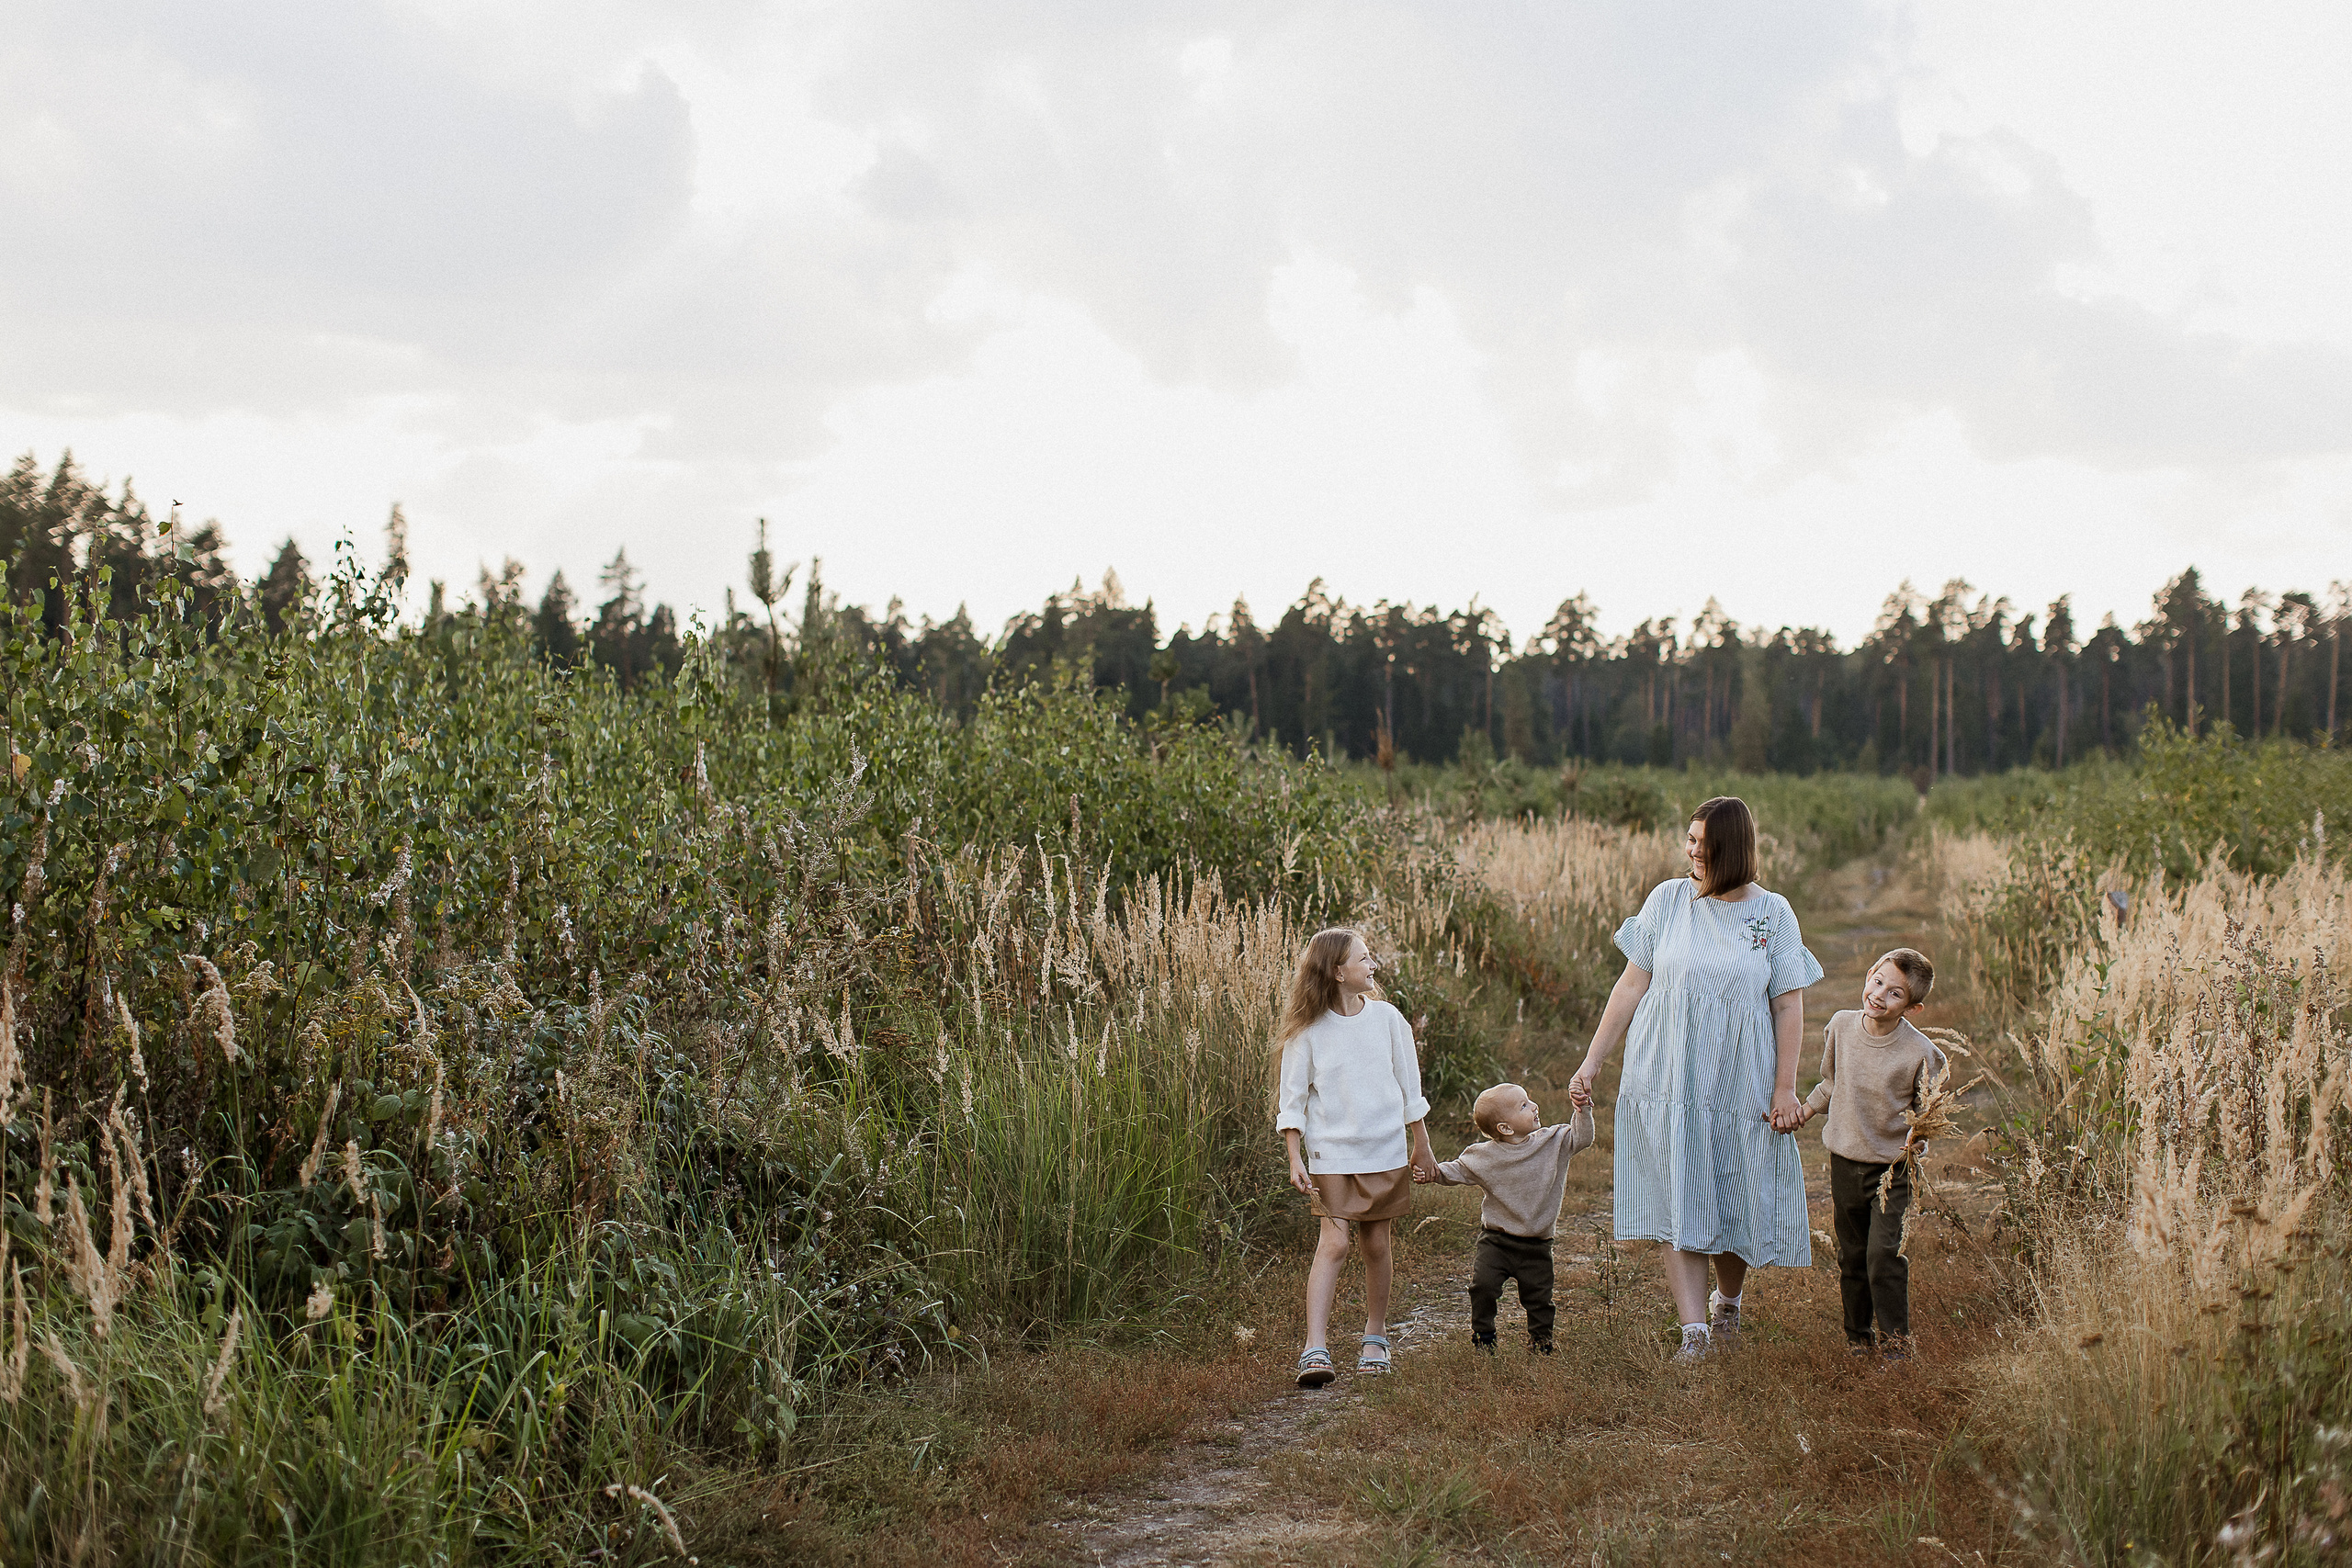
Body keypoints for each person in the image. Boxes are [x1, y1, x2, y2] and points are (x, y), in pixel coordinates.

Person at [1566, 795, 1822, 1364]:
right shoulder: (1668, 900)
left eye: (1700, 843)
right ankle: (1694, 1332)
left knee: (1734, 1194)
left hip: (1739, 1080)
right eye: (1688, 839)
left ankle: (1727, 1301)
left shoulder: (1774, 914)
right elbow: (1631, 985)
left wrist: (1786, 1087)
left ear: (1729, 850)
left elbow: (1788, 1006)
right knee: (1677, 1193)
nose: (1689, 851)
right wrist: (1593, 1062)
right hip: (1668, 1076)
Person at [1276, 927, 1438, 1387]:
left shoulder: (1389, 1020)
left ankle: (1375, 1336)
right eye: (1364, 959)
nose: (1373, 966)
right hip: (1330, 1156)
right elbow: (1292, 1103)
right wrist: (1295, 1158)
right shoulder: (1306, 1033)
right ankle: (1314, 1347)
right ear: (1337, 971)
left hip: (1384, 1150)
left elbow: (1411, 1090)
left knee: (1376, 1245)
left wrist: (1421, 1143)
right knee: (1334, 1243)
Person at [1790, 947, 1945, 1363]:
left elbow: (1927, 1112)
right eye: (1878, 981)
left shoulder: (1920, 1053)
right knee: (1852, 1255)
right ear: (1870, 973)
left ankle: (1897, 1346)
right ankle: (1858, 1339)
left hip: (1891, 1169)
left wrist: (1918, 1143)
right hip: (1844, 1160)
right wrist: (1803, 1111)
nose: (1879, 995)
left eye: (1895, 994)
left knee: (1882, 1253)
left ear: (1912, 1007)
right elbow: (1830, 1083)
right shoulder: (1841, 1027)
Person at [1414, 1079, 1596, 1354]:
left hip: (1537, 1244)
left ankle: (1541, 1342)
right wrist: (1431, 1173)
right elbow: (1455, 1172)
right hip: (1496, 1241)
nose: (1534, 1106)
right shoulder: (1483, 1156)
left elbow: (1582, 1138)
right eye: (1524, 1105)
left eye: (1529, 1099)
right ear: (1505, 1128)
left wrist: (1582, 1111)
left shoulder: (1552, 1142)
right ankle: (1483, 1335)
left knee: (1539, 1298)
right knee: (1482, 1287)